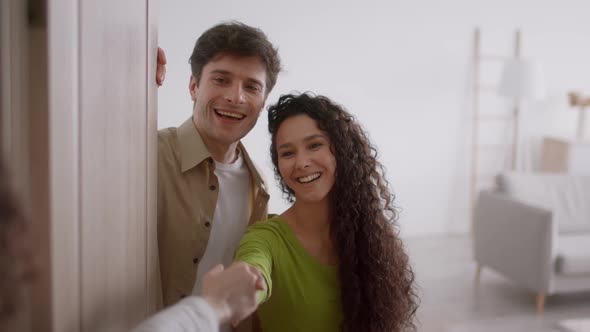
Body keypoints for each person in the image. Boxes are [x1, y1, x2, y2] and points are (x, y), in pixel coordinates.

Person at [235, 93, 419, 332]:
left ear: (341, 151)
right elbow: (252, 269)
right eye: (288, 153)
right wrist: (238, 291)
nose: (301, 162)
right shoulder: (265, 239)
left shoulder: (369, 232)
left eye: (314, 145)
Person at [156, 21, 282, 331]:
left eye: (251, 87)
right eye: (221, 80)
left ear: (262, 102)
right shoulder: (145, 155)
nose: (235, 97)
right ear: (193, 86)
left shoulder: (259, 186)